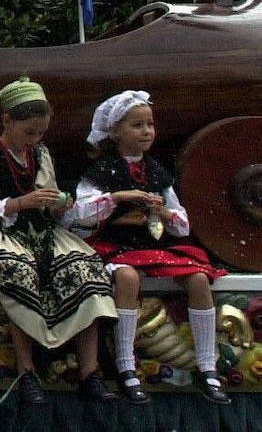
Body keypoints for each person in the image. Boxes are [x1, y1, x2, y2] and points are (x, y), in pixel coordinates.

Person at [0, 77, 117, 405]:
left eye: (40, 133)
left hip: (45, 231)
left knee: (85, 269)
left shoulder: (41, 155)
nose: (35, 139)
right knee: (17, 270)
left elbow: (53, 198)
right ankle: (26, 371)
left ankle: (90, 372)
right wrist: (20, 203)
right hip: (6, 232)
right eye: (29, 132)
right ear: (6, 121)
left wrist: (60, 203)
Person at [67, 90, 230, 406]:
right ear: (116, 131)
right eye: (137, 125)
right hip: (114, 243)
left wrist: (165, 213)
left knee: (198, 277)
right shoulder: (103, 170)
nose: (146, 132)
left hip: (151, 243)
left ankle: (207, 367)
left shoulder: (156, 171)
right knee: (127, 278)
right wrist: (119, 197)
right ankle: (126, 366)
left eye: (149, 125)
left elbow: (180, 222)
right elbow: (81, 212)